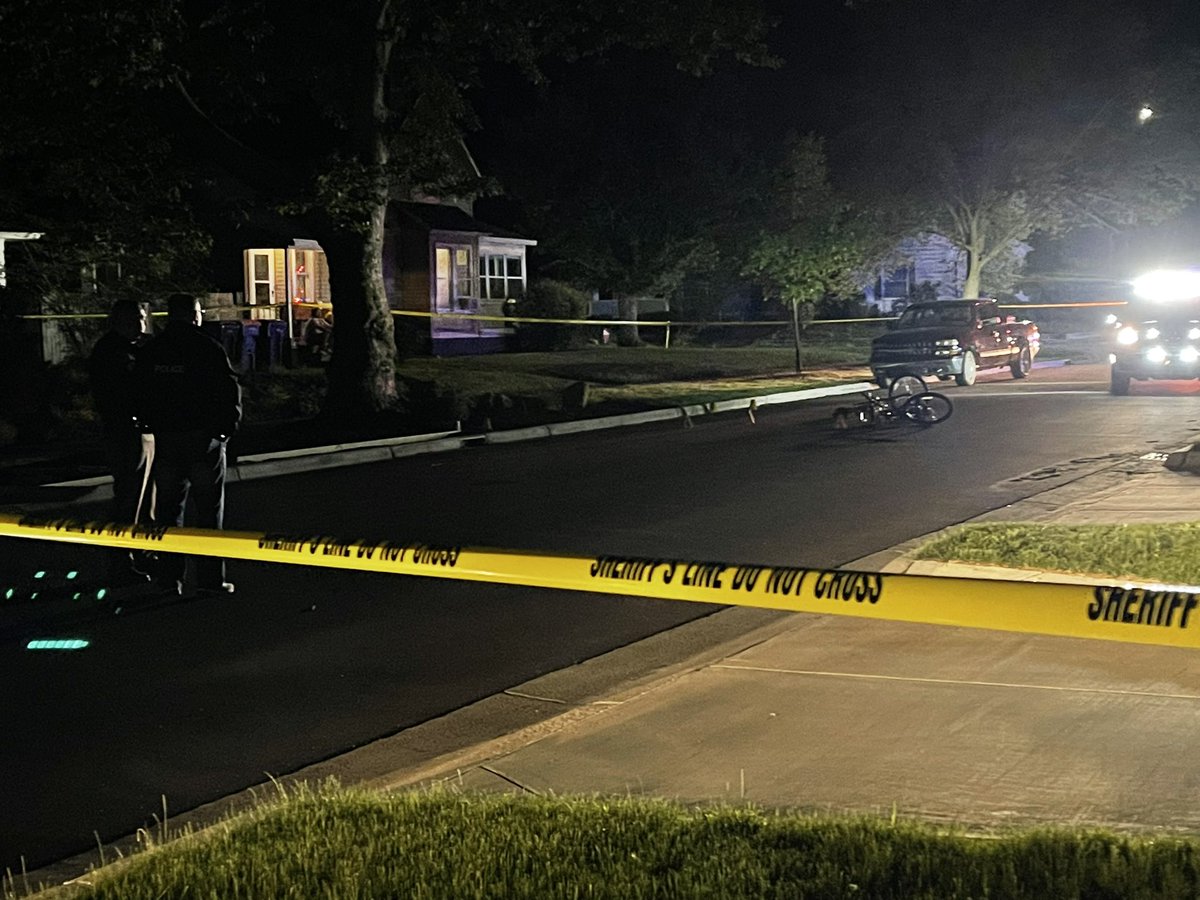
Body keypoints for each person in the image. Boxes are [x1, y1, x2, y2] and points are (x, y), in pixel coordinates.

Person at [134, 294, 242, 597]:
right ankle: (209, 580)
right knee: (208, 512)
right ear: (194, 316)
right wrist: (224, 432)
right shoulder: (207, 348)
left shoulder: (153, 351)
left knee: (168, 511)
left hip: (167, 440)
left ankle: (170, 578)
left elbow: (140, 392)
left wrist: (147, 425)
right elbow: (228, 391)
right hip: (202, 440)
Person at [88, 299, 152, 586]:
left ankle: (138, 552)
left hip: (135, 429)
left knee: (143, 498)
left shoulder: (128, 348)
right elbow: (122, 393)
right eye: (136, 318)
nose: (142, 323)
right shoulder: (113, 352)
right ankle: (121, 560)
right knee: (129, 496)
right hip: (125, 431)